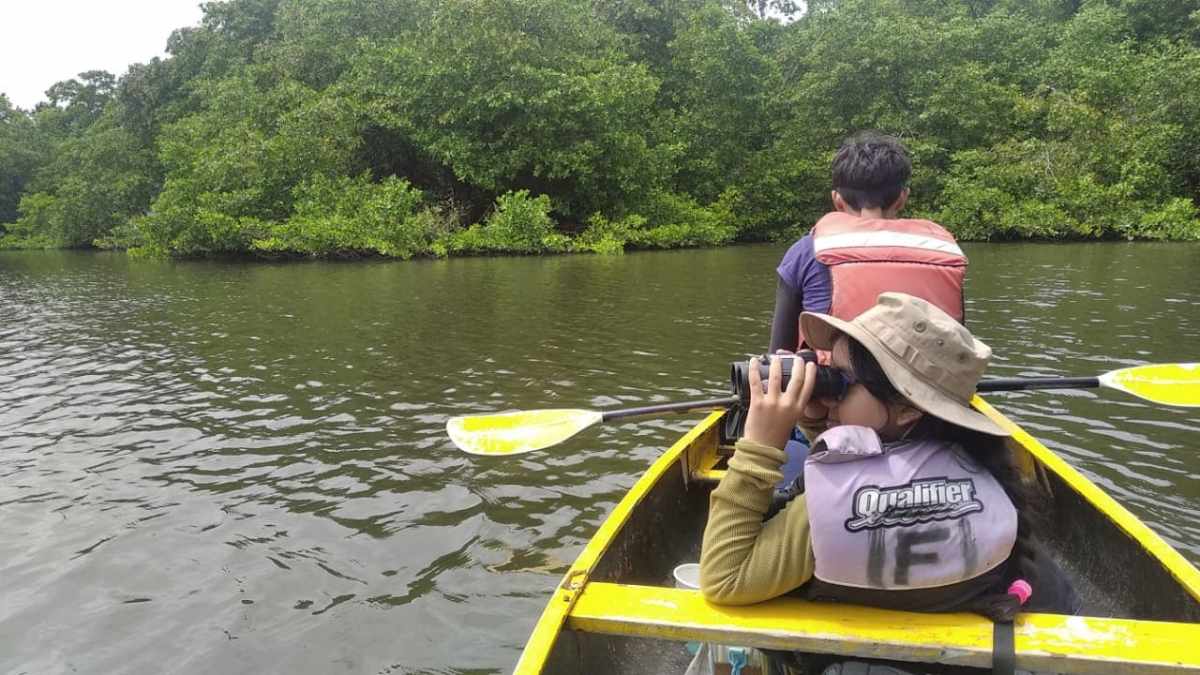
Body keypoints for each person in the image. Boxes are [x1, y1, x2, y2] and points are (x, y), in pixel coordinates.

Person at [701, 293, 1079, 626]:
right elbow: (880, 453)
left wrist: (759, 446)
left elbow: (723, 579)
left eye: (841, 380)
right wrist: (819, 422)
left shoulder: (831, 506)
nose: (829, 393)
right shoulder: (988, 475)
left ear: (907, 409)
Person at [769, 132, 968, 356]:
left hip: (836, 387)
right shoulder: (942, 252)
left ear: (837, 200)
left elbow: (778, 355)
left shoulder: (805, 252)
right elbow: (959, 344)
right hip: (930, 389)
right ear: (902, 198)